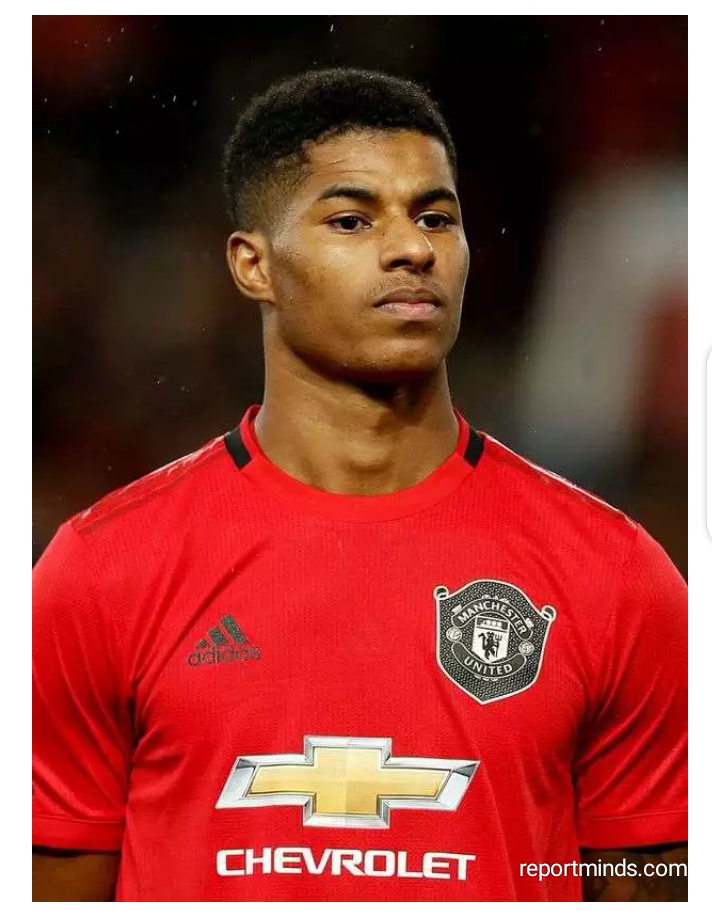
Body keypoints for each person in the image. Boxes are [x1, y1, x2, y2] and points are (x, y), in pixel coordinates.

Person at [32, 68, 687, 902]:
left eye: (436, 216)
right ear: (254, 265)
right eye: (352, 219)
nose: (413, 248)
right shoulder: (101, 573)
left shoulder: (617, 578)